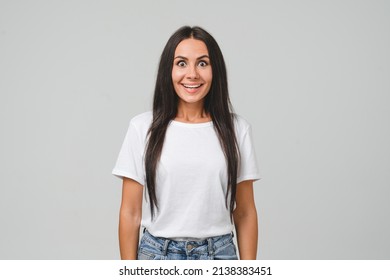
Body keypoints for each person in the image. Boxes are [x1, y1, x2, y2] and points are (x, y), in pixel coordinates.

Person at [112, 26, 260, 260]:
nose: (192, 74)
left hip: (219, 255)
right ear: (168, 70)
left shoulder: (236, 129)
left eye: (202, 63)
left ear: (215, 70)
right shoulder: (142, 128)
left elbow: (244, 212)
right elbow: (130, 213)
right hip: (157, 255)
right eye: (181, 63)